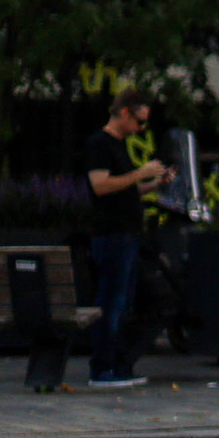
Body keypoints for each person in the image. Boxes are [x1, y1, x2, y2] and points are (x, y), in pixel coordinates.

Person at [82, 90, 169, 389]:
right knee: (112, 302)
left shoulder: (119, 146)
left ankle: (118, 365)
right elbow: (101, 186)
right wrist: (139, 173)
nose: (141, 129)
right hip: (112, 235)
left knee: (125, 303)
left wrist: (154, 183)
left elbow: (125, 189)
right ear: (124, 113)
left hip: (127, 235)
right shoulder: (99, 144)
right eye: (139, 121)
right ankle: (102, 367)